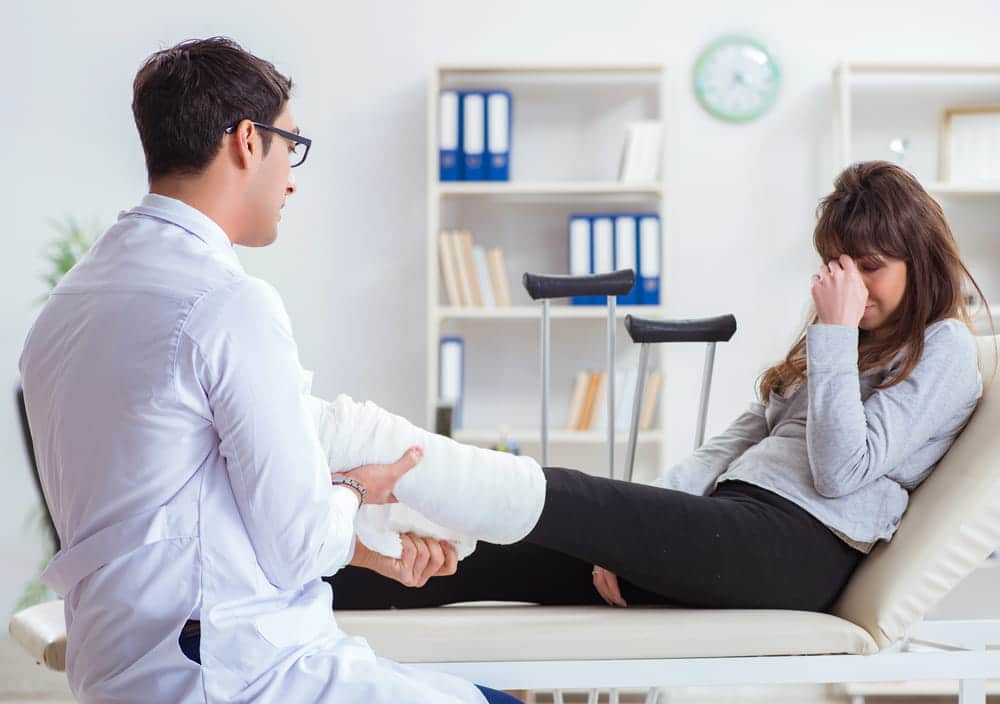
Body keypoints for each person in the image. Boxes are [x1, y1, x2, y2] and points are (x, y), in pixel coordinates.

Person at [19, 36, 539, 704]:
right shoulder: (226, 304)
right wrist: (353, 487)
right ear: (245, 140)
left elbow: (172, 515)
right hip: (237, 678)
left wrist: (364, 551)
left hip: (123, 673)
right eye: (290, 145)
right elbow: (294, 547)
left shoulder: (65, 311)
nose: (292, 174)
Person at [328, 160, 987, 617]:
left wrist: (836, 334)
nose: (854, 287)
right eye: (839, 269)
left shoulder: (944, 346)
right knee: (506, 553)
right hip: (732, 524)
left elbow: (843, 471)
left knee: (558, 491)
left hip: (798, 547)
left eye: (872, 268)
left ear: (919, 258)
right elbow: (731, 444)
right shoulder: (842, 341)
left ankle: (397, 464)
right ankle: (317, 578)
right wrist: (634, 538)